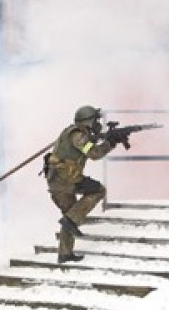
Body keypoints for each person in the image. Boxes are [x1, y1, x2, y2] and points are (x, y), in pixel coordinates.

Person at [44, 105, 116, 264]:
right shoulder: (77, 136)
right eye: (95, 120)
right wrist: (110, 143)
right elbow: (94, 153)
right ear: (88, 121)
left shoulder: (76, 133)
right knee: (98, 191)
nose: (97, 123)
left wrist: (106, 137)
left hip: (61, 181)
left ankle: (65, 253)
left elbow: (89, 145)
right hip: (64, 182)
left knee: (70, 214)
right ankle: (70, 222)